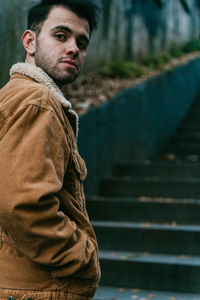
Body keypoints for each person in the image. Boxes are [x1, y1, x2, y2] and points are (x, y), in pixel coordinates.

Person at [0, 0, 101, 299]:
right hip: (39, 288)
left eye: (81, 43)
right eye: (61, 35)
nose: (73, 49)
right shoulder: (38, 102)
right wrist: (81, 258)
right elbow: (23, 205)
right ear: (30, 41)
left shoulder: (12, 96)